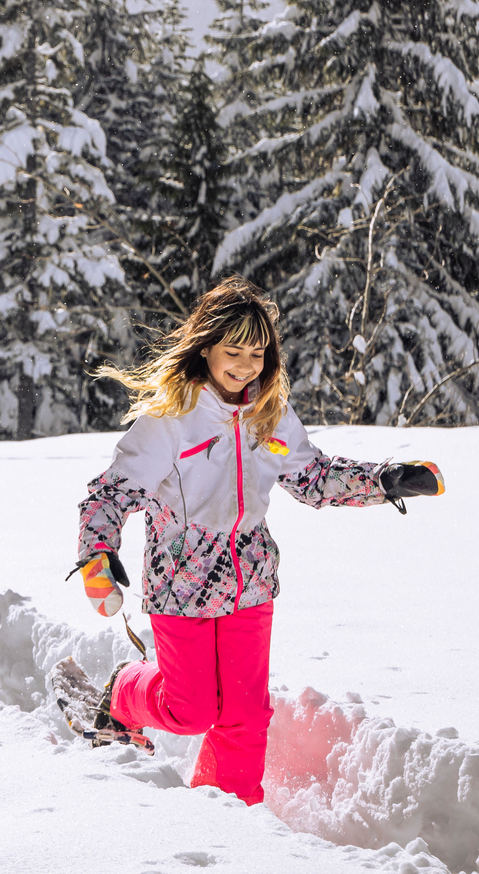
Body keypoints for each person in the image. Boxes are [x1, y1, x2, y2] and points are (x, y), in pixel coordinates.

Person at [68, 276, 446, 803]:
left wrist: (383, 482)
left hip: (251, 582)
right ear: (205, 347)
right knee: (191, 708)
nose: (246, 365)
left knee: (245, 713)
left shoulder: (271, 414)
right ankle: (124, 691)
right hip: (183, 584)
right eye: (233, 351)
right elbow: (108, 496)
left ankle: (230, 822)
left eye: (257, 352)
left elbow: (314, 478)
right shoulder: (171, 420)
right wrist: (97, 557)